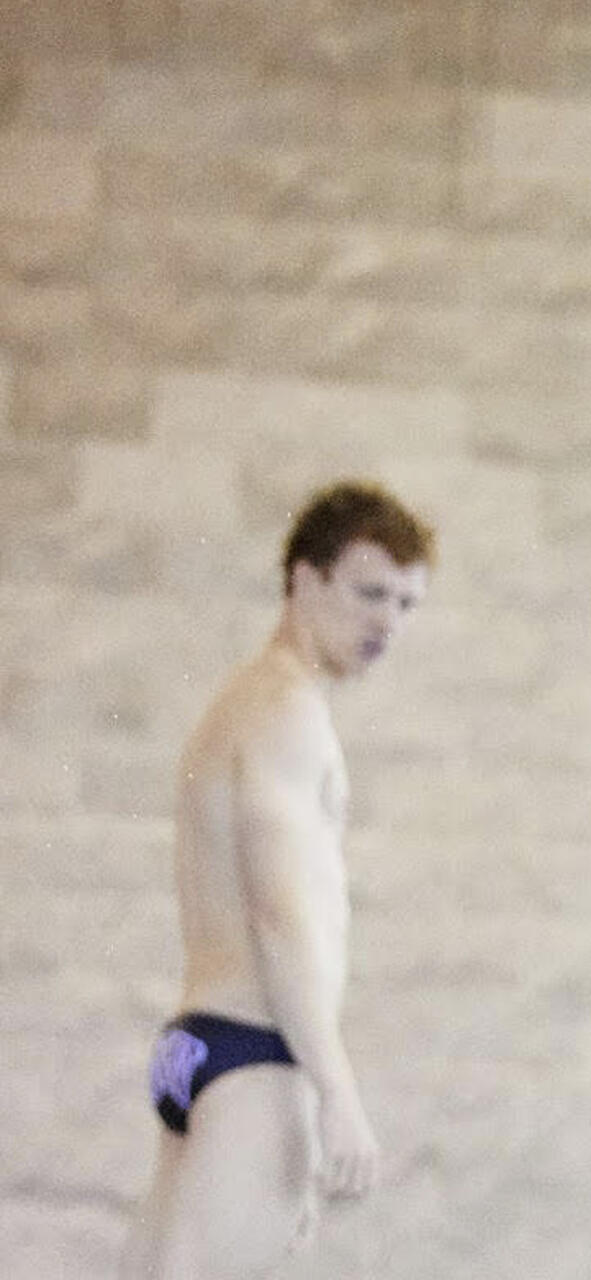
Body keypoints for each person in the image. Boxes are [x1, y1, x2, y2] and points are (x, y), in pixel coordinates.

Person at [121, 480, 435, 1279]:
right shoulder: (288, 712)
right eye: (369, 593)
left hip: (195, 1045)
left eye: (406, 604)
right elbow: (281, 912)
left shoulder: (237, 703)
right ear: (304, 580)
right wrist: (337, 1092)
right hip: (255, 1051)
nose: (387, 623)